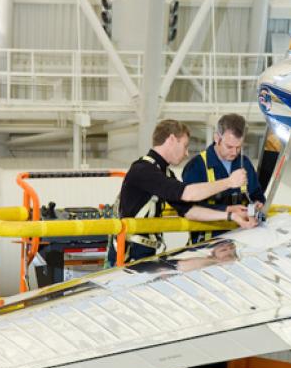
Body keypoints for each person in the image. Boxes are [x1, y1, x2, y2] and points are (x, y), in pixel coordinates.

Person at [108, 119, 256, 266]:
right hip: (127, 258)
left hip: (144, 256)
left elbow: (189, 211)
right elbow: (187, 193)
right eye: (185, 146)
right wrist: (229, 182)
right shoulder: (143, 170)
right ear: (172, 139)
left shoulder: (163, 173)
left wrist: (231, 215)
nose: (186, 153)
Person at [183, 114, 265, 244]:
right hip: (206, 245)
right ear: (217, 138)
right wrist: (227, 210)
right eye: (229, 146)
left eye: (239, 147)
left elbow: (257, 194)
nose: (234, 152)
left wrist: (257, 203)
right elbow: (189, 209)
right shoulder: (196, 166)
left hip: (240, 241)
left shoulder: (245, 163)